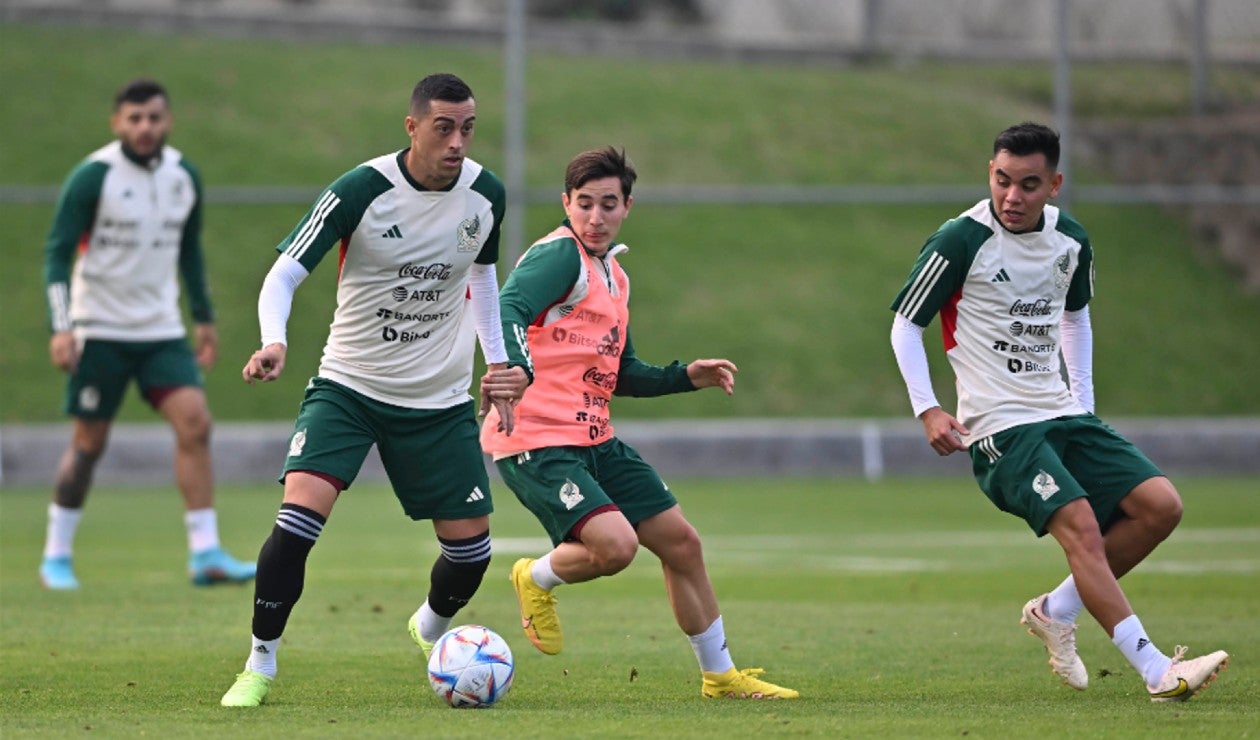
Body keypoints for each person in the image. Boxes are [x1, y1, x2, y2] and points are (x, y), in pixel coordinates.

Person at [889, 122, 1229, 702]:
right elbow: (905, 324)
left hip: (1062, 412)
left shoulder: (1071, 239)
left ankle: (1054, 610)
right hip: (1000, 427)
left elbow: (1075, 318)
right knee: (1084, 531)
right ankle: (1156, 671)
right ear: (990, 175)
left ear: (1055, 185)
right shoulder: (958, 240)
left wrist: (1084, 407)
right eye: (1002, 181)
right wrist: (928, 409)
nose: (1012, 197)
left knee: (1160, 507)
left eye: (1028, 184)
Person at [219, 73, 529, 708]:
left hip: (437, 402)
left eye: (467, 128)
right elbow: (282, 274)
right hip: (349, 388)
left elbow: (485, 284)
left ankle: (430, 630)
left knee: (471, 556)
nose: (457, 142)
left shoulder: (485, 195)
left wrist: (497, 365)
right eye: (443, 127)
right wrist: (273, 339)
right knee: (297, 523)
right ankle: (260, 663)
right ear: (412, 126)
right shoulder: (361, 190)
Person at [482, 146, 799, 700]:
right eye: (584, 204)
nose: (596, 217)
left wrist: (686, 376)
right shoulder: (559, 258)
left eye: (609, 204)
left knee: (682, 544)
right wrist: (515, 369)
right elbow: (507, 306)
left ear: (628, 206)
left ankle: (720, 676)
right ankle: (534, 577)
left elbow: (622, 373)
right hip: (536, 437)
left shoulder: (615, 277)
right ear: (566, 203)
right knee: (617, 548)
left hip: (594, 437)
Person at [40, 78, 255, 591]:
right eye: (134, 118)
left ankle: (205, 552)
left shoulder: (185, 176)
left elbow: (189, 252)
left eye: (154, 117)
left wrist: (203, 318)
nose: (145, 127)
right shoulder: (93, 177)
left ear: (168, 120)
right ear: (117, 122)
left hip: (161, 330)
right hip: (99, 328)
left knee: (195, 424)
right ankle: (56, 553)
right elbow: (56, 252)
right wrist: (61, 326)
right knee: (89, 442)